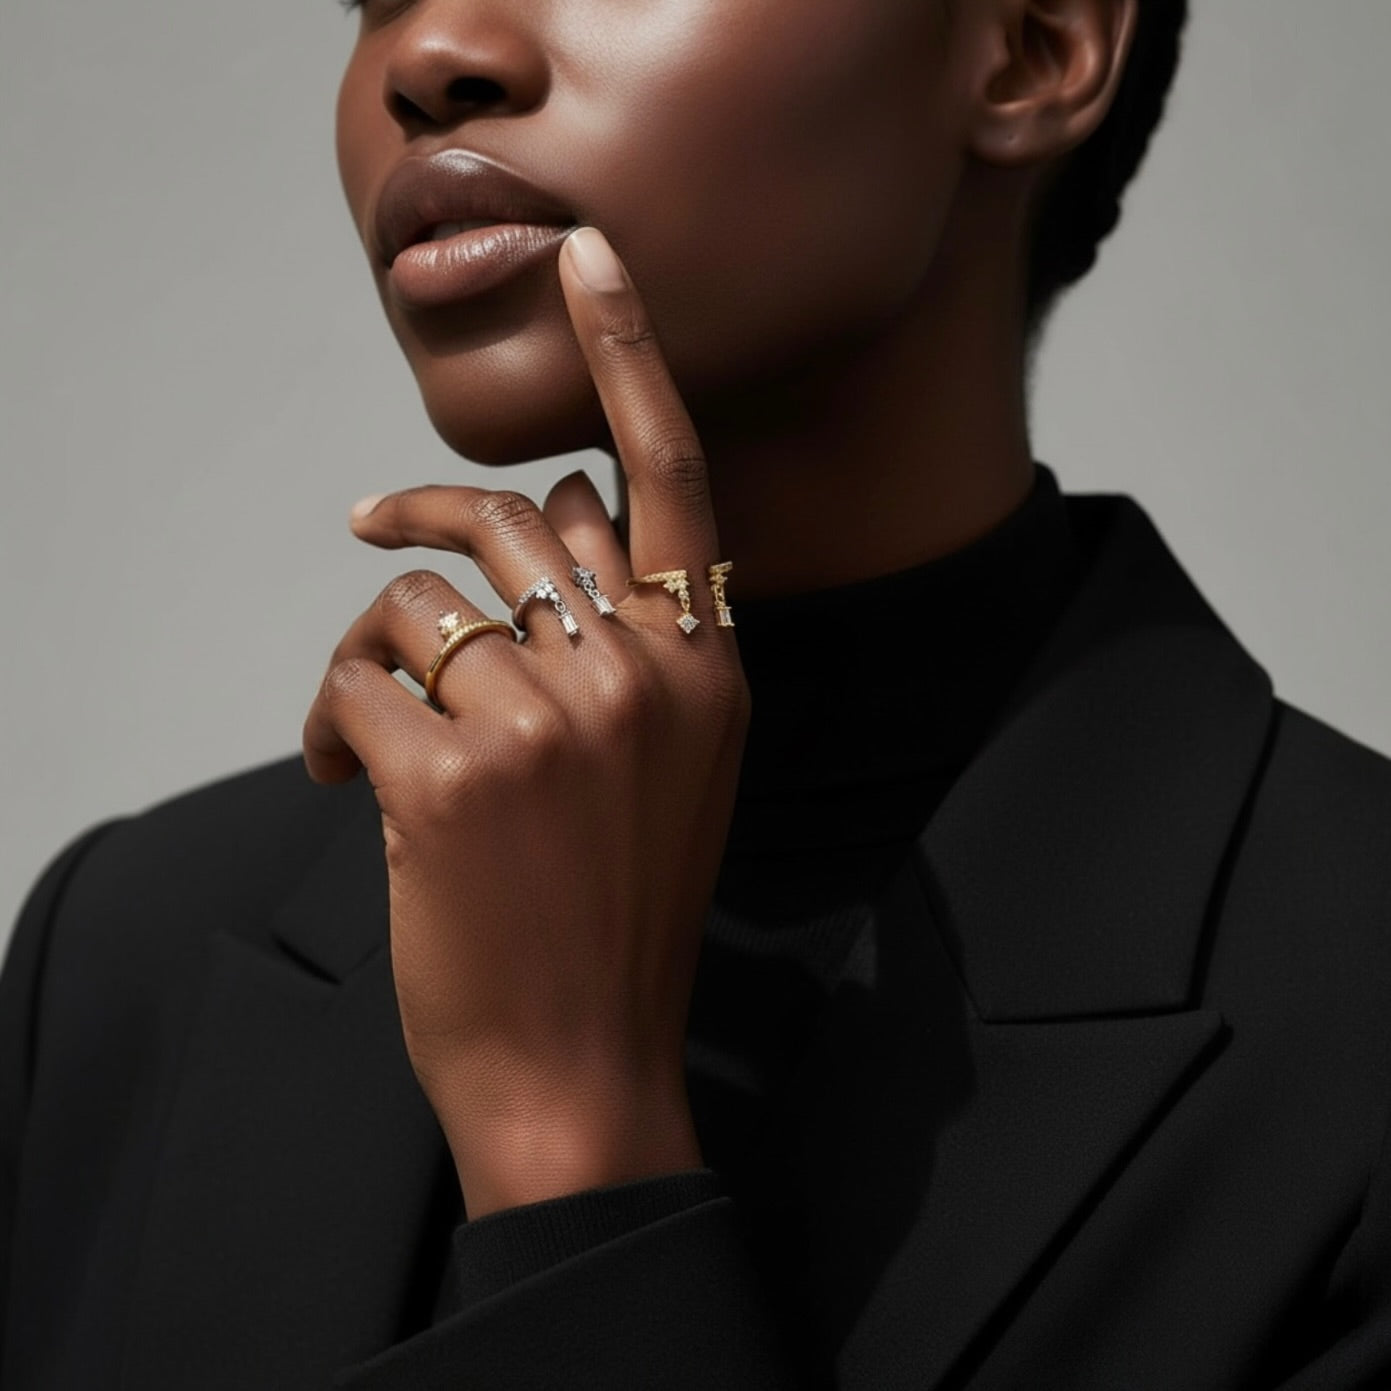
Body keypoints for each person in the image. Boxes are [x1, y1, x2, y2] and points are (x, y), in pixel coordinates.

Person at [3, 0, 1390, 1386]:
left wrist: (572, 1146)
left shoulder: (1348, 1022)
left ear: (1032, 46)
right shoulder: (121, 959)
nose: (426, 59)